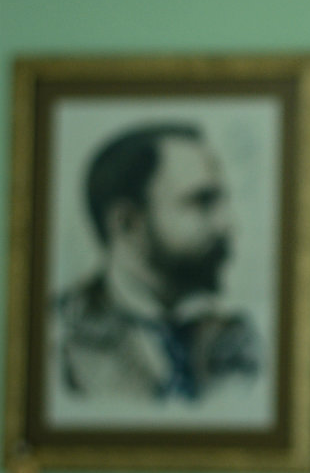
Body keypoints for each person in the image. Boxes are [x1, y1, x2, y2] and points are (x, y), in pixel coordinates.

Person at [54, 122, 260, 402]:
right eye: (202, 202)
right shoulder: (57, 338)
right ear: (127, 223)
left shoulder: (236, 337)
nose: (228, 224)